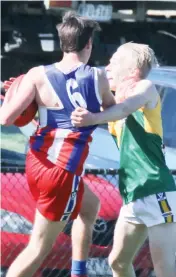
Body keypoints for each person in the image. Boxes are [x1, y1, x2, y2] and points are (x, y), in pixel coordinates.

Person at [0, 12, 116, 277]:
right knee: (39, 246)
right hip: (61, 171)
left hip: (37, 163)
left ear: (62, 42)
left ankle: (78, 272)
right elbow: (114, 111)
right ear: (88, 45)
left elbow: (5, 118)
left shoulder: (36, 74)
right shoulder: (97, 77)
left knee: (90, 207)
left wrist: (13, 94)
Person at [71, 42, 176, 277]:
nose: (108, 66)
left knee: (164, 269)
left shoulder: (146, 88)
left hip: (156, 190)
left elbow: (125, 108)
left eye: (115, 61)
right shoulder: (112, 103)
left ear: (132, 71)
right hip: (132, 195)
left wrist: (92, 118)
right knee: (117, 262)